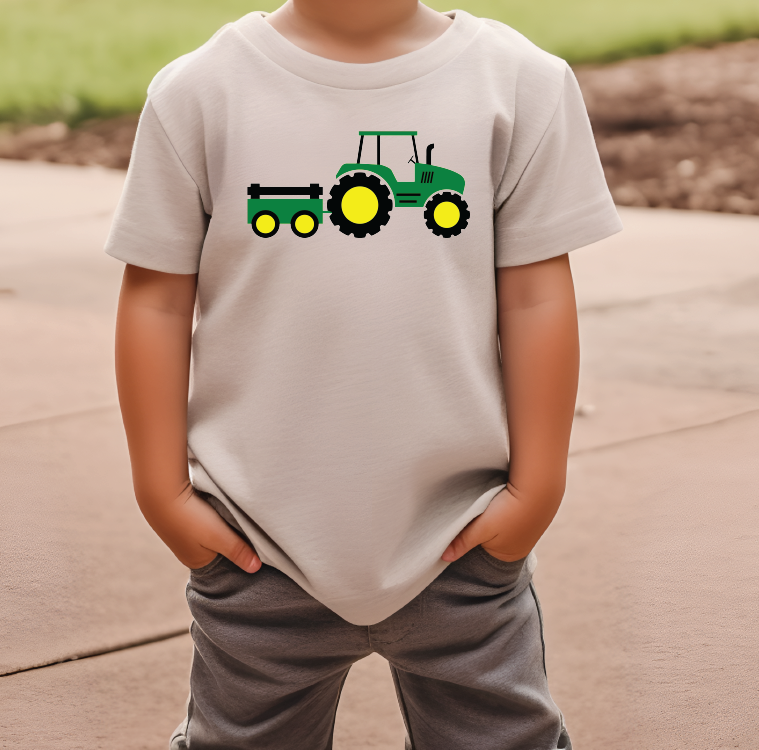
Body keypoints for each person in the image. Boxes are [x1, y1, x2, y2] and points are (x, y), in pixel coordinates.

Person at [106, 1, 622, 748]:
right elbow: (155, 299)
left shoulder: (519, 85)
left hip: (460, 537)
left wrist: (537, 487)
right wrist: (163, 492)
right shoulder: (200, 92)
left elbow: (538, 296)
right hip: (257, 542)